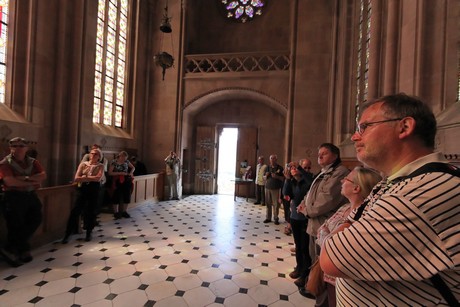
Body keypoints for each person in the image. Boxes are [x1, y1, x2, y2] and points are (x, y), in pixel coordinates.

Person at [320, 93, 460, 306]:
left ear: (404, 127)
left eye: (364, 127)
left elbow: (330, 260)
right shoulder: (402, 181)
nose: (355, 137)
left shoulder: (413, 195)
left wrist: (347, 224)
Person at [317, 166, 381, 307]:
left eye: (346, 179)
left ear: (356, 188)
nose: (341, 181)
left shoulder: (365, 218)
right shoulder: (345, 208)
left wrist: (327, 236)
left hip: (348, 283)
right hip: (329, 277)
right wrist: (327, 237)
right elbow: (321, 231)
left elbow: (333, 245)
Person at [297, 143, 349, 303]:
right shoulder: (323, 172)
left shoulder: (339, 173)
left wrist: (306, 210)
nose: (319, 156)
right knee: (315, 261)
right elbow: (311, 192)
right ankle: (315, 289)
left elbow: (325, 201)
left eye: (324, 153)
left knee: (324, 266)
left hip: (325, 226)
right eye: (319, 153)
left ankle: (322, 298)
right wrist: (303, 203)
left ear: (335, 155)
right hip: (315, 225)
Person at [0, 137, 46, 267]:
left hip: (31, 196)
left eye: (21, 146)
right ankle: (22, 252)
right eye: (14, 146)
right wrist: (32, 180)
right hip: (13, 197)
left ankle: (9, 247)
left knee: (36, 219)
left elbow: (43, 176)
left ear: (26, 148)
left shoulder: (33, 162)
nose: (18, 148)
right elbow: (9, 181)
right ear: (10, 148)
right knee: (16, 224)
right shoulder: (5, 163)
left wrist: (23, 178)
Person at [283, 160, 314, 291]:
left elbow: (305, 190)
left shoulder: (308, 180)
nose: (304, 170)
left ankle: (305, 274)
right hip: (295, 218)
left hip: (305, 219)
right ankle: (299, 268)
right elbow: (287, 194)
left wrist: (301, 170)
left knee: (304, 248)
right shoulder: (293, 182)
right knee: (298, 245)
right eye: (302, 167)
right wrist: (287, 179)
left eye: (307, 167)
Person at [62, 148, 104, 243]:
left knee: (91, 211)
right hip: (83, 189)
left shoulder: (100, 166)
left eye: (96, 154)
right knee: (75, 211)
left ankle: (89, 232)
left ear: (99, 157)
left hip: (94, 189)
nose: (93, 155)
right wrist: (88, 179)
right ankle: (67, 234)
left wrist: (85, 177)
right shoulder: (83, 164)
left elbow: (98, 178)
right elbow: (77, 178)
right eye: (92, 153)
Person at [108, 151, 135, 219]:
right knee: (116, 196)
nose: (124, 159)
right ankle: (116, 213)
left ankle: (124, 211)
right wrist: (120, 173)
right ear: (120, 156)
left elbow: (133, 168)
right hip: (117, 180)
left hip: (126, 180)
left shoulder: (127, 162)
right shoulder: (114, 162)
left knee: (127, 195)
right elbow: (110, 173)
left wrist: (130, 173)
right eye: (123, 158)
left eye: (125, 158)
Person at [263, 154, 284, 225]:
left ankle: (276, 218)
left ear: (276, 159)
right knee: (268, 203)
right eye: (271, 158)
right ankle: (268, 217)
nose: (272, 160)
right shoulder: (267, 167)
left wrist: (277, 177)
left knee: (276, 204)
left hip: (276, 188)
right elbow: (264, 177)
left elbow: (283, 178)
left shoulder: (280, 168)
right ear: (269, 160)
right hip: (267, 188)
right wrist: (266, 176)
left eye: (274, 158)